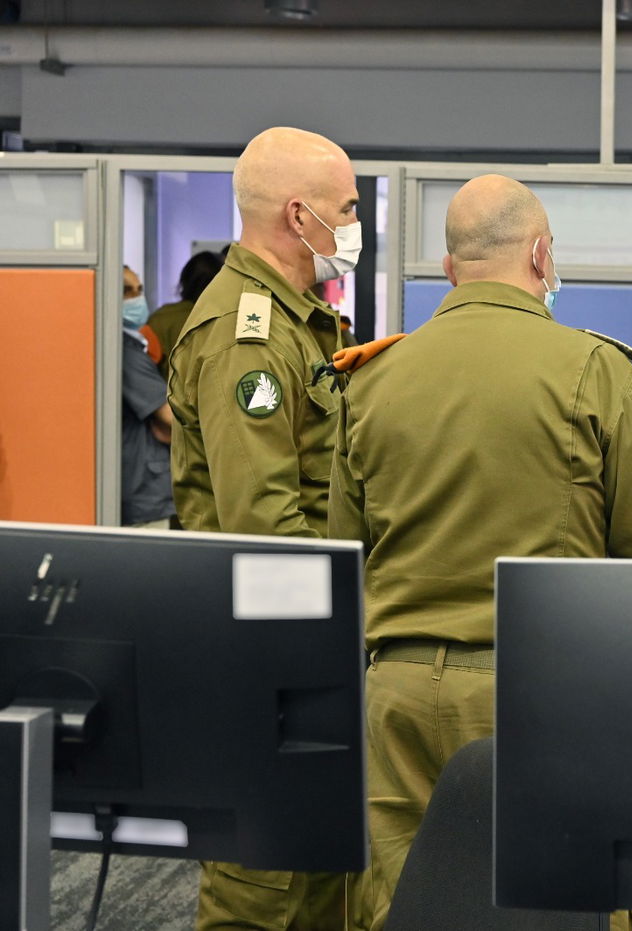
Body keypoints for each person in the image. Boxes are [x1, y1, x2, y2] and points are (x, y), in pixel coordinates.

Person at [328, 174, 632, 931]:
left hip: (394, 695)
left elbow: (345, 556)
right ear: (542, 255)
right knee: (560, 905)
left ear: (448, 268)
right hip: (535, 692)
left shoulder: (370, 381)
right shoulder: (596, 370)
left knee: (399, 908)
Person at [166, 126, 360, 930]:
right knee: (264, 889)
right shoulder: (247, 339)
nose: (354, 227)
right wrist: (340, 639)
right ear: (298, 215)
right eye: (347, 210)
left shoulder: (299, 320)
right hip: (266, 657)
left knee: (321, 880)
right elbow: (267, 525)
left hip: (303, 654)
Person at [118, 265, 176, 528]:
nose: (137, 299)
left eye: (139, 290)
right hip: (142, 491)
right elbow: (170, 421)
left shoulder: (134, 346)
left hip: (147, 486)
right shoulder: (126, 353)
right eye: (126, 291)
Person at [144, 249, 225, 378]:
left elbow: (146, 369)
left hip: (168, 396)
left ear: (184, 280)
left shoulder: (161, 319)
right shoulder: (228, 320)